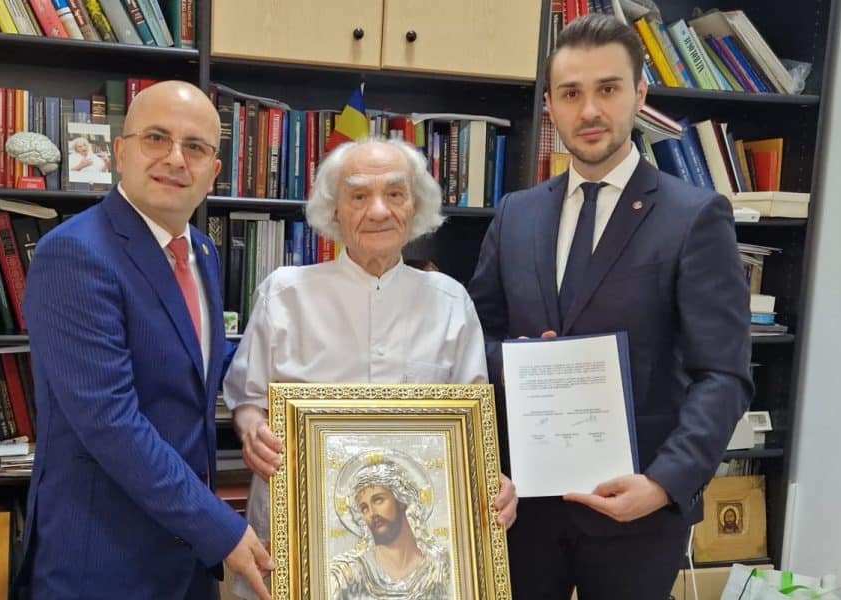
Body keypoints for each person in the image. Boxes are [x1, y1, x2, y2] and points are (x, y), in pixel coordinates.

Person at [468, 14, 753, 600]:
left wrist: (664, 483)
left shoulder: (695, 216)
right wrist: (518, 360)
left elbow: (723, 374)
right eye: (571, 93)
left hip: (638, 509)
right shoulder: (516, 213)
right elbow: (478, 340)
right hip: (523, 507)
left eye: (608, 88)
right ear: (550, 106)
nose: (590, 110)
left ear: (640, 95)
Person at [224, 138, 518, 599]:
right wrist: (252, 431)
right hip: (299, 542)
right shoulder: (284, 294)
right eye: (359, 195)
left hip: (415, 568)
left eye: (395, 193)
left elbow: (471, 431)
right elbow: (246, 399)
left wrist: (489, 480)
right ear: (334, 210)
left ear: (415, 206)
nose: (378, 211)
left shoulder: (450, 302)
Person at [16, 80, 273, 599]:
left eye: (195, 146)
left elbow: (197, 358)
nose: (175, 158)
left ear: (213, 171)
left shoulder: (201, 251)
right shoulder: (74, 254)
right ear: (120, 152)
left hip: (185, 559)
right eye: (157, 138)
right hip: (104, 559)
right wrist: (219, 527)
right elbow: (111, 422)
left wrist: (291, 377)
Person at [329, 458, 450, 599]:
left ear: (402, 500)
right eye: (364, 508)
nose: (372, 513)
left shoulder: (439, 569)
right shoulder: (347, 575)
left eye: (378, 500)